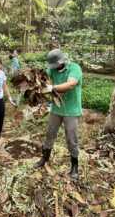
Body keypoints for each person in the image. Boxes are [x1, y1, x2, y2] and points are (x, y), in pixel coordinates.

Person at [34, 49, 83, 180]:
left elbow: (71, 84)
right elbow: (43, 77)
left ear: (61, 61)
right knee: (50, 134)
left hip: (71, 110)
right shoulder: (52, 70)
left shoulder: (74, 68)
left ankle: (74, 167)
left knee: (71, 138)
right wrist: (38, 81)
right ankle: (44, 158)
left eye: (55, 65)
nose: (53, 68)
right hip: (56, 109)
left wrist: (52, 88)